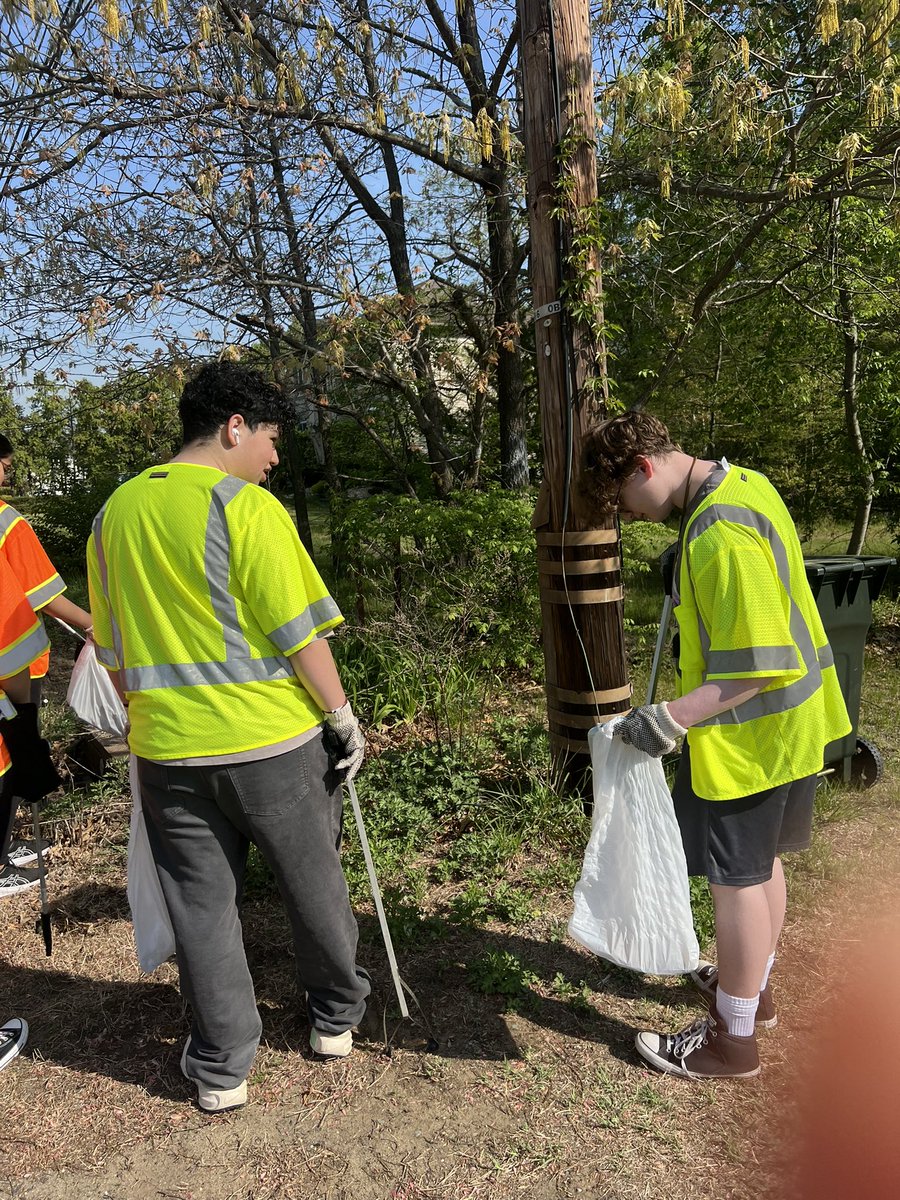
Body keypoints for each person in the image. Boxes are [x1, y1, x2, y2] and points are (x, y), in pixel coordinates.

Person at [87, 361, 370, 1114]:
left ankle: (222, 1067)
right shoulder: (243, 507)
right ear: (234, 426)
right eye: (271, 439)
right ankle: (335, 1020)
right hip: (271, 742)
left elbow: (111, 651)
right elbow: (300, 633)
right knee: (312, 883)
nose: (274, 459)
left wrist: (152, 726)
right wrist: (340, 714)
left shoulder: (111, 515)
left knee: (202, 907)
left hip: (166, 753)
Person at [577, 411, 850, 1080]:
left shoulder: (716, 531)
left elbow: (756, 663)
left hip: (752, 738)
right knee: (762, 868)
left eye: (624, 503)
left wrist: (669, 719)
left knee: (735, 885)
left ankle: (733, 1041)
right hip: (793, 726)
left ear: (644, 467)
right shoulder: (746, 484)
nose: (631, 519)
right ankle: (751, 997)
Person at [0, 435, 91, 892]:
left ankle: (6, 841)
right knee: (13, 753)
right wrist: (94, 626)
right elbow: (46, 597)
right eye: (5, 464)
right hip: (11, 666)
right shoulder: (5, 521)